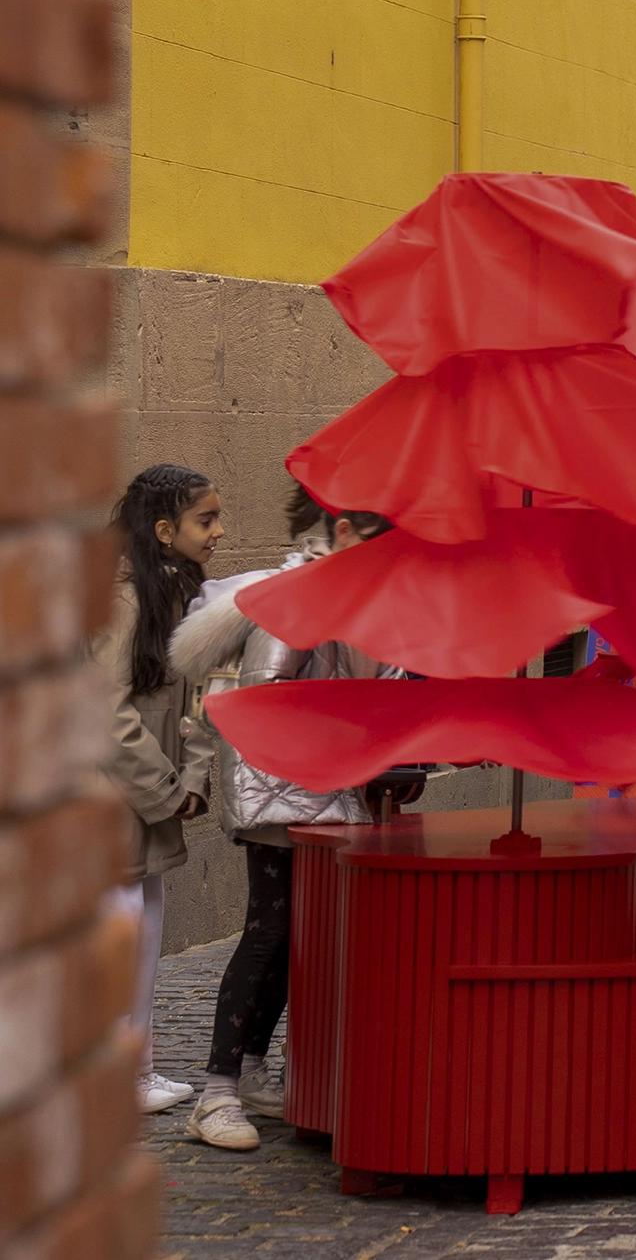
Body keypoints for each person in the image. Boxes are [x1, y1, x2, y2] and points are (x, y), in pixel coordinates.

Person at [169, 484, 398, 1151]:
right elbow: (265, 696)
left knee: (297, 933)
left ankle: (252, 1071)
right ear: (348, 530)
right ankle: (215, 1093)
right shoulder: (300, 596)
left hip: (328, 786)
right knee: (270, 931)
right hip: (283, 789)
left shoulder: (354, 593)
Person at [95, 464, 222, 1115]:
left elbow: (198, 699)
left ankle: (133, 1070)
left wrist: (192, 779)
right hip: (109, 800)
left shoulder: (178, 597)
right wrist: (169, 787)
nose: (220, 532)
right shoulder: (124, 602)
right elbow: (108, 715)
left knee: (145, 930)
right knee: (123, 934)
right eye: (207, 520)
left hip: (149, 797)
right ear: (165, 529)